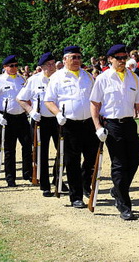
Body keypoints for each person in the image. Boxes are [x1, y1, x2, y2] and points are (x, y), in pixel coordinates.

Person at [90, 44, 139, 221]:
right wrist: (98, 127)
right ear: (110, 59)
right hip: (112, 124)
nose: (122, 61)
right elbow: (95, 104)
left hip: (129, 124)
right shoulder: (103, 79)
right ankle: (124, 205)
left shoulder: (133, 77)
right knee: (119, 163)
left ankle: (118, 189)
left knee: (134, 160)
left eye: (124, 58)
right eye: (119, 58)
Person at [44, 45, 99, 208]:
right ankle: (75, 196)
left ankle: (84, 183)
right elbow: (48, 100)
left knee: (91, 157)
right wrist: (57, 114)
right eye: (73, 57)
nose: (77, 60)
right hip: (69, 124)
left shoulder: (87, 76)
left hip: (88, 123)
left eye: (79, 57)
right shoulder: (57, 77)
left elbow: (94, 98)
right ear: (65, 59)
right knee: (72, 160)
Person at [17, 52, 68, 196]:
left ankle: (58, 179)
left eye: (53, 64)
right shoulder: (34, 80)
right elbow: (20, 98)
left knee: (63, 151)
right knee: (41, 153)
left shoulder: (61, 78)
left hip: (58, 120)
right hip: (40, 120)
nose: (52, 67)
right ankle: (45, 184)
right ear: (41, 67)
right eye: (48, 65)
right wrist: (31, 111)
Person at [0, 55, 32, 187]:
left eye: (16, 65)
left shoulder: (21, 79)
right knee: (9, 149)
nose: (14, 68)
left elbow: (27, 97)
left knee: (27, 146)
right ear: (5, 67)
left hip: (22, 117)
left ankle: (27, 173)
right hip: (7, 118)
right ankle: (10, 177)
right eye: (11, 66)